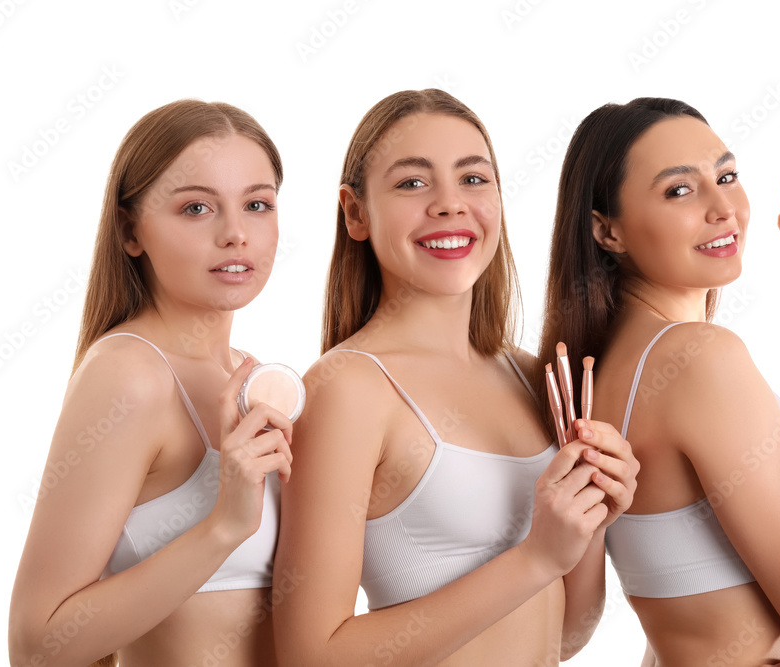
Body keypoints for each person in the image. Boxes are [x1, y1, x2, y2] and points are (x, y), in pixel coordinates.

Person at [537, 97, 780, 665]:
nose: (724, 208)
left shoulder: (609, 365)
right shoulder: (696, 358)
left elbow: (678, 611)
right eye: (679, 190)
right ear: (606, 231)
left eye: (727, 176)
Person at [273, 89, 639, 666]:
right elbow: (311, 656)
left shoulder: (529, 376)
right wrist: (537, 557)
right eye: (412, 183)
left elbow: (563, 635)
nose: (449, 205)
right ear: (355, 212)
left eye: (473, 179)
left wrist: (588, 523)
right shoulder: (346, 389)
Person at [9, 99, 293, 666]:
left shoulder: (253, 374)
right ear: (129, 230)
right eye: (196, 209)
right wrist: (222, 528)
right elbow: (36, 646)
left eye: (257, 204)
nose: (237, 234)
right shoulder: (130, 374)